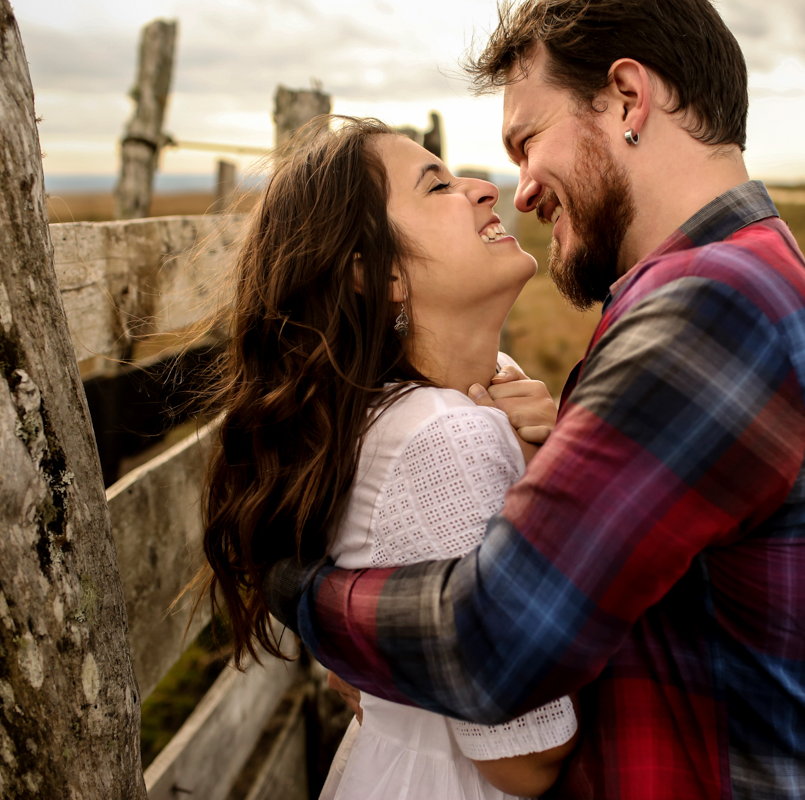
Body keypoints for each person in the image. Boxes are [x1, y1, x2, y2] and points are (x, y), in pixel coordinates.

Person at [264, 1, 805, 798]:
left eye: (528, 142)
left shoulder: (712, 309)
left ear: (626, 100)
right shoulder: (721, 286)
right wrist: (550, 464)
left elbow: (495, 644)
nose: (520, 192)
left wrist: (302, 593)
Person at [197, 116, 581, 800]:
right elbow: (524, 756)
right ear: (378, 275)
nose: (484, 189)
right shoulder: (445, 437)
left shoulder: (413, 409)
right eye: (437, 185)